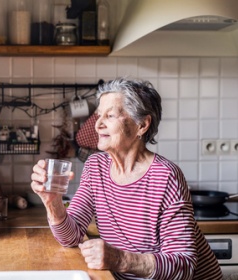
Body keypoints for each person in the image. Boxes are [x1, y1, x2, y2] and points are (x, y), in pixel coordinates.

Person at [30, 78, 222, 280]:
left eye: (110, 115)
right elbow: (71, 237)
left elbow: (182, 267)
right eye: (98, 115)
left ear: (142, 125)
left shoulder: (166, 176)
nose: (98, 125)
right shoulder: (96, 167)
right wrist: (53, 203)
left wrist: (119, 259)